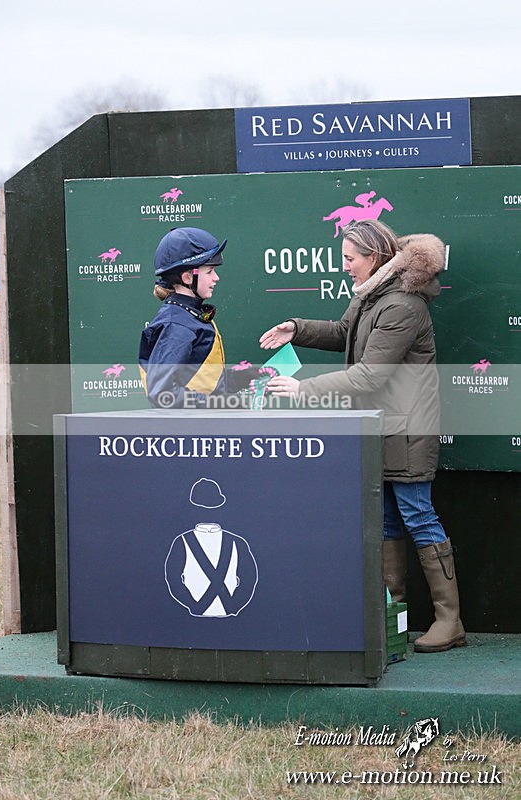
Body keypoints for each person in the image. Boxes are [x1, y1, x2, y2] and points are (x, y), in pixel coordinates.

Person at [260, 219, 466, 654]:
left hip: (406, 432)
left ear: (374, 257)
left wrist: (303, 389)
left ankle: (450, 622)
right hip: (381, 428)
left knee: (418, 517)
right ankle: (393, 615)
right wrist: (297, 328)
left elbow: (371, 373)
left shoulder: (403, 305)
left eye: (350, 259)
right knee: (389, 520)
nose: (346, 267)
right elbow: (344, 334)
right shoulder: (373, 297)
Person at [139, 227, 258, 408]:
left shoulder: (190, 315)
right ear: (187, 277)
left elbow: (202, 379)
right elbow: (162, 394)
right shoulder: (177, 325)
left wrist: (242, 378)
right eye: (209, 272)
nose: (216, 277)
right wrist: (218, 403)